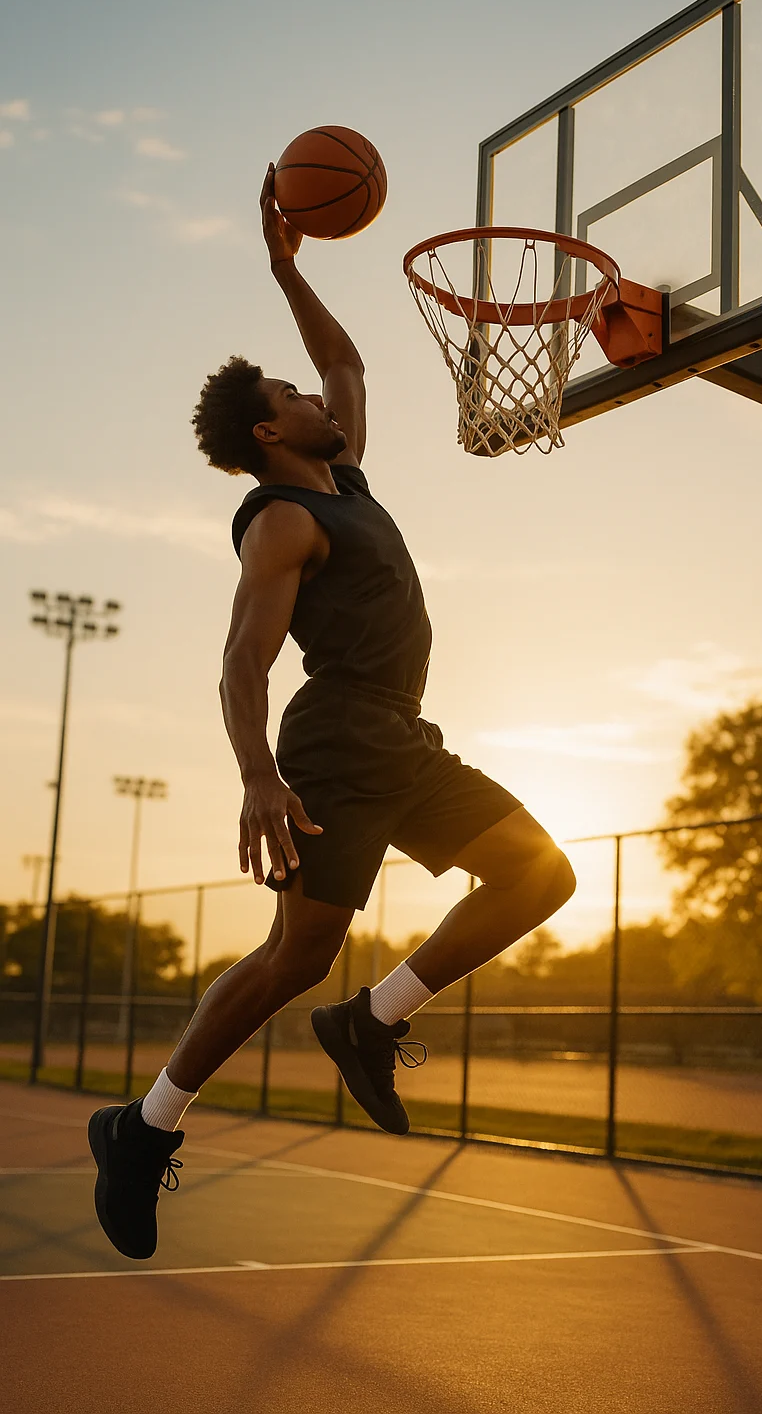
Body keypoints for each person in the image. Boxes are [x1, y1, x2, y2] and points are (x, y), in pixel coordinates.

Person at [87, 165, 576, 1260]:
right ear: (269, 437)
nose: (317, 398)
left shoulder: (342, 479)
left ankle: (373, 1018)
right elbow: (239, 662)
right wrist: (259, 775)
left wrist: (282, 267)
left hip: (402, 732)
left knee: (542, 874)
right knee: (292, 956)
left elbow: (345, 361)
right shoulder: (281, 523)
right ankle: (143, 1127)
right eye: (293, 400)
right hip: (337, 743)